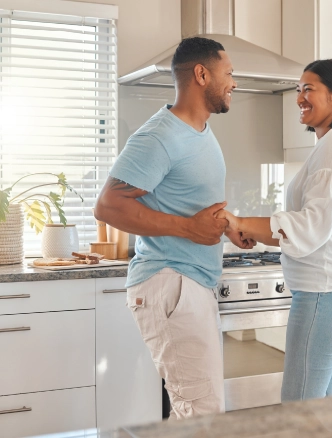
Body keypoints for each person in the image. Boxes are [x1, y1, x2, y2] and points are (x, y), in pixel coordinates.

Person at [94, 37, 253, 420]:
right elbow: (108, 206)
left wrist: (226, 227)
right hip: (171, 281)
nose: (234, 82)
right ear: (201, 74)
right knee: (201, 414)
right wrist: (188, 228)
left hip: (190, 283)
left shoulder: (199, 131)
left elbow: (188, 205)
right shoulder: (160, 135)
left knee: (198, 412)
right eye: (228, 73)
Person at [218, 59, 332, 401]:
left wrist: (242, 222)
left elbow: (312, 224)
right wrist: (254, 230)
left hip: (327, 291)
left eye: (309, 89)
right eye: (298, 90)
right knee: (317, 409)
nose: (300, 97)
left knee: (299, 409)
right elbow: (314, 219)